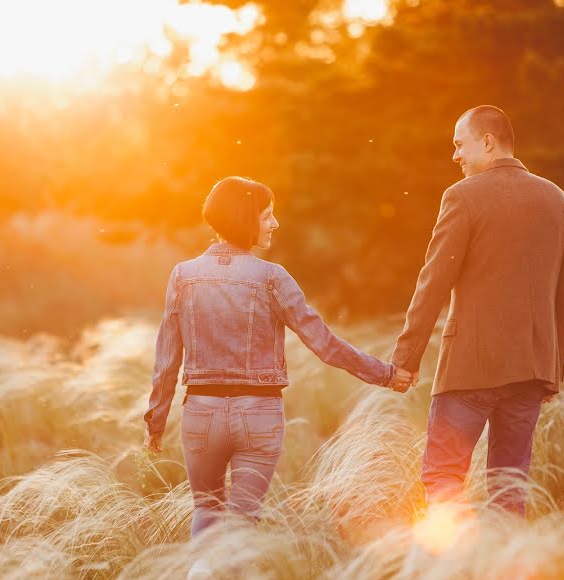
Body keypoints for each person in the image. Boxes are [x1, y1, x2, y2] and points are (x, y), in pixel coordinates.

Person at [144, 176, 415, 537]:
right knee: (242, 525)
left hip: (201, 412)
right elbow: (324, 343)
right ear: (246, 219)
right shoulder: (272, 277)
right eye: (267, 215)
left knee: (207, 512)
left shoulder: (183, 276)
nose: (275, 223)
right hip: (258, 415)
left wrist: (155, 424)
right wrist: (385, 374)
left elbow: (166, 361)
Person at [391, 105, 564, 516]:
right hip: (532, 371)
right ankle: (496, 578)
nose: (455, 155)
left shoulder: (461, 196)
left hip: (468, 369)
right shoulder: (557, 198)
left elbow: (433, 281)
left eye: (460, 144)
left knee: (443, 477)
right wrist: (552, 370)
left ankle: (451, 575)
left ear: (488, 142)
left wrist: (406, 359)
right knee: (509, 488)